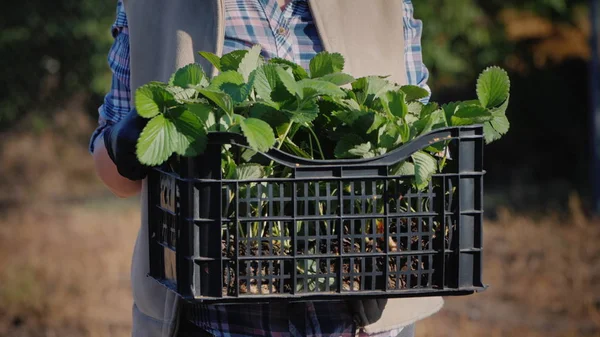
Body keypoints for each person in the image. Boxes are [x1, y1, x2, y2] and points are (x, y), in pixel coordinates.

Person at [89, 0, 444, 336]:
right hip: (212, 322)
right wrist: (125, 143)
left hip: (366, 322)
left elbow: (417, 127)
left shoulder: (387, 5)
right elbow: (116, 175)